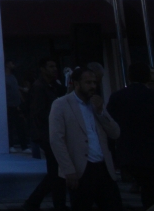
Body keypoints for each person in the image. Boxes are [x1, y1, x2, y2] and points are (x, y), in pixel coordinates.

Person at [49, 66, 122, 211]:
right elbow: (56, 140)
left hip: (103, 168)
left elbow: (115, 133)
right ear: (77, 83)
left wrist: (100, 112)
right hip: (81, 169)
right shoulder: (61, 104)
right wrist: (68, 170)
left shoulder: (96, 104)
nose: (93, 86)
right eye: (88, 82)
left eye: (94, 82)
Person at [106, 62, 154, 210]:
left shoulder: (117, 97)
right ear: (148, 77)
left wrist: (112, 154)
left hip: (128, 153)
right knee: (153, 193)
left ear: (129, 77)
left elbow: (109, 126)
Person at [24, 58, 67, 211]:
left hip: (53, 132)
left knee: (56, 171)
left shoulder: (54, 86)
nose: (54, 69)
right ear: (42, 69)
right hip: (47, 134)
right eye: (50, 66)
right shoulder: (39, 87)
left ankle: (35, 202)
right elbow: (39, 113)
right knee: (56, 170)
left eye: (55, 66)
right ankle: (46, 203)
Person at [6, 60, 28, 151]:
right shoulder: (2, 77)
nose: (13, 65)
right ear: (7, 64)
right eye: (12, 63)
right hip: (8, 105)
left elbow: (16, 88)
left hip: (17, 105)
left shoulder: (13, 76)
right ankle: (11, 145)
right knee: (9, 126)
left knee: (20, 126)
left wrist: (22, 100)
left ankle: (24, 146)